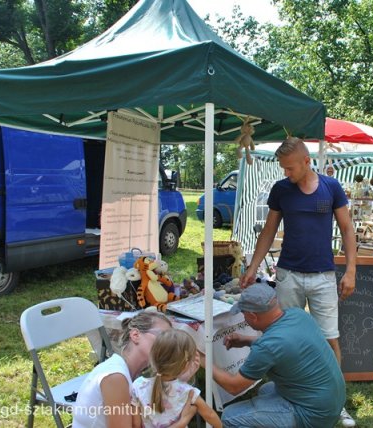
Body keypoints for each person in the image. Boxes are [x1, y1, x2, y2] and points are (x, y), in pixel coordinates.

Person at [239, 137, 357, 426]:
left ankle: (335, 402)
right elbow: (268, 231)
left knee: (330, 338)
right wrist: (253, 266)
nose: (286, 173)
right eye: (283, 168)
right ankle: (287, 393)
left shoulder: (331, 187)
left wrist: (351, 270)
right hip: (288, 274)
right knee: (283, 337)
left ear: (307, 161)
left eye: (290, 168)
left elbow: (347, 227)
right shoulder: (282, 190)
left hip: (323, 276)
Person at [203, 283, 346, 428]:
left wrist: (203, 359)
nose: (244, 317)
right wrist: (246, 340)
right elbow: (285, 345)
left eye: (243, 313)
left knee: (229, 417)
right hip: (332, 402)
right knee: (265, 390)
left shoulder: (267, 346)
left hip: (314, 415)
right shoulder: (298, 315)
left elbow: (234, 386)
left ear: (253, 316)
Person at [72, 311, 196, 428]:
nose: (169, 345)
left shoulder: (134, 375)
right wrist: (182, 422)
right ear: (135, 335)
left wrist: (178, 382)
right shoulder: (116, 377)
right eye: (162, 336)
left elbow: (155, 418)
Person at [131, 329, 221, 428]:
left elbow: (136, 424)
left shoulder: (138, 386)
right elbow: (210, 415)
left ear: (153, 356)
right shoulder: (189, 393)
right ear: (186, 365)